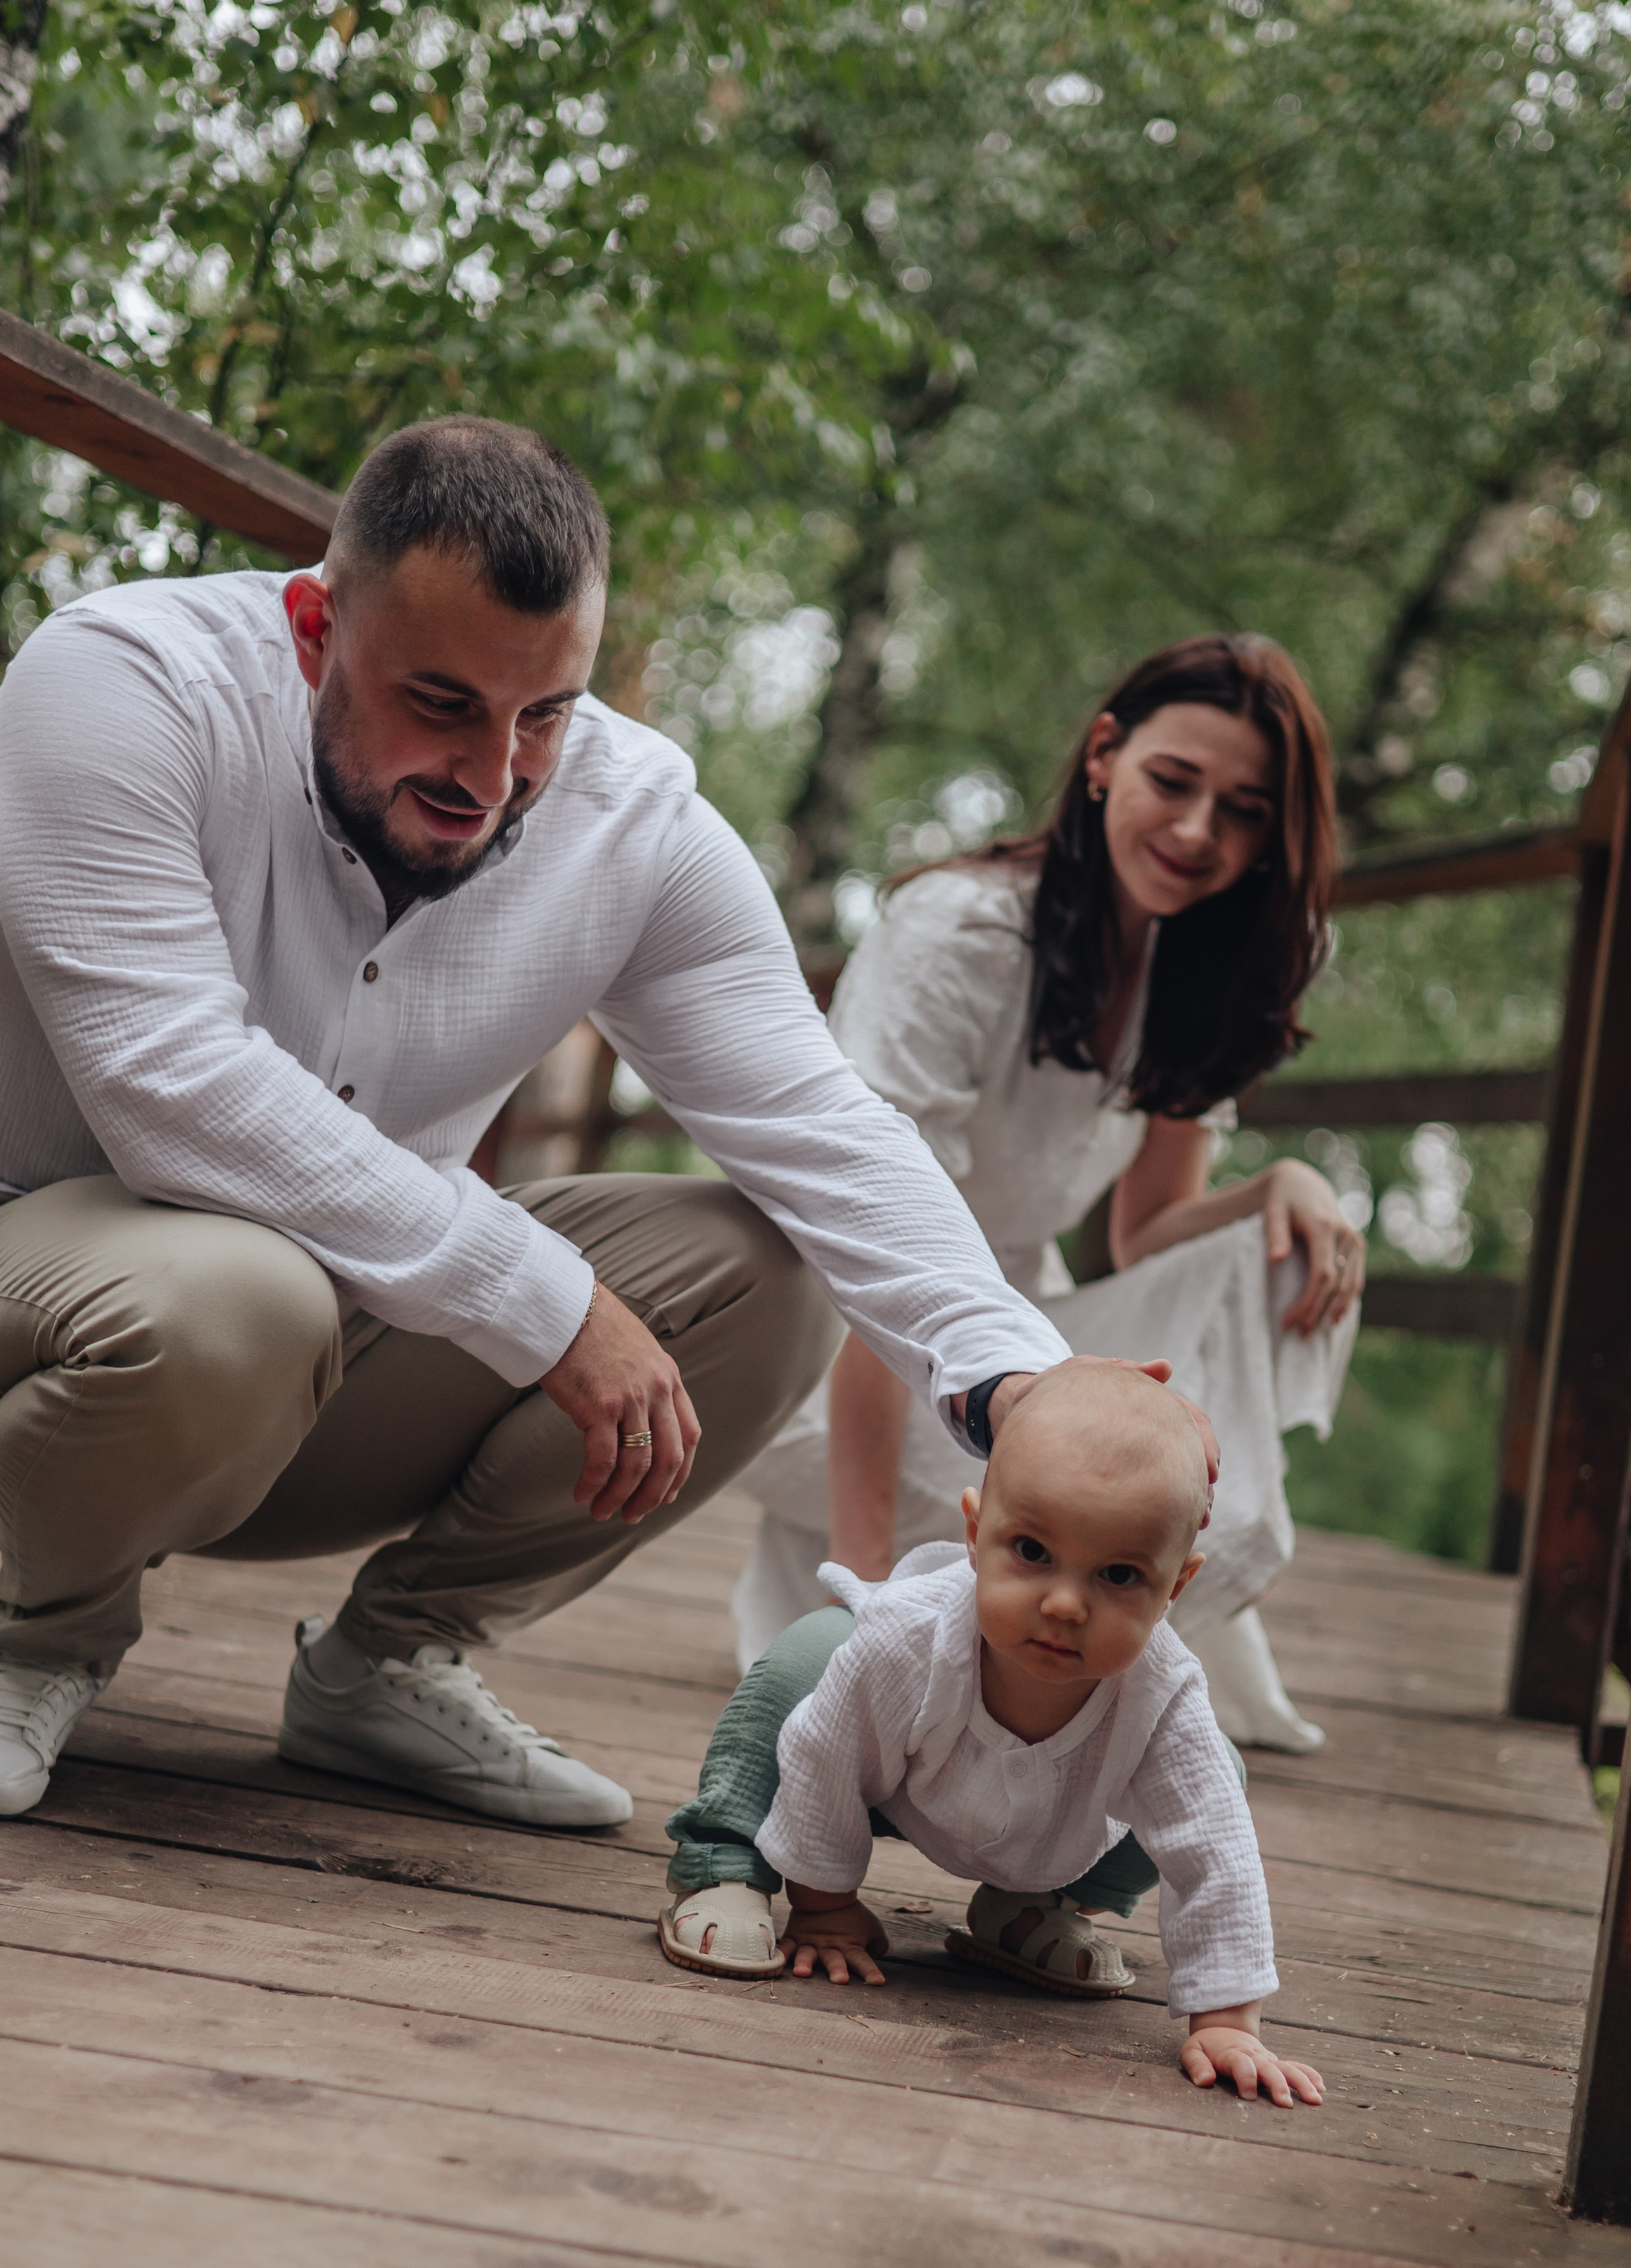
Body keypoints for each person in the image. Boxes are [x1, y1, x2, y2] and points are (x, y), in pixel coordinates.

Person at [0, 413, 1141, 1826]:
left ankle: (386, 1670)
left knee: (764, 1275)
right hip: (46, 1312)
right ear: (314, 626)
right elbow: (172, 1084)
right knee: (240, 1288)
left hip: (295, 1367)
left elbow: (815, 1117)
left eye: (543, 712)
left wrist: (1014, 1378)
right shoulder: (121, 682)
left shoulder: (633, 820)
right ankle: (23, 1638)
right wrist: (548, 1300)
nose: (493, 774)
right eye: (441, 701)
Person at [731, 635, 1366, 1754]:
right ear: (1106, 756)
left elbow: (1145, 1233)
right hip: (843, 1358)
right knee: (909, 1302)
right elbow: (872, 1252)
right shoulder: (961, 935)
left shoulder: (1191, 965)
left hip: (1018, 1362)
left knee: (1283, 1246)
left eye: (1243, 811)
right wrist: (866, 1599)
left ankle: (1127, 1625)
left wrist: (1285, 1181)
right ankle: (881, 1583)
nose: (1196, 833)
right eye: (1175, 783)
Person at [661, 1364, 1323, 2108]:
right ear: (976, 1534)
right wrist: (824, 1905)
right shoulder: (906, 1640)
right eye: (1032, 1554)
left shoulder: (1162, 1695)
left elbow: (1215, 1850)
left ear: (1176, 1585)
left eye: (1117, 1574)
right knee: (805, 1660)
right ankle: (723, 1858)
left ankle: (1033, 1908)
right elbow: (824, 1753)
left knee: (1215, 1779)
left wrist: (1229, 2022)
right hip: (883, 1779)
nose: (1066, 1604)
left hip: (1052, 1822)